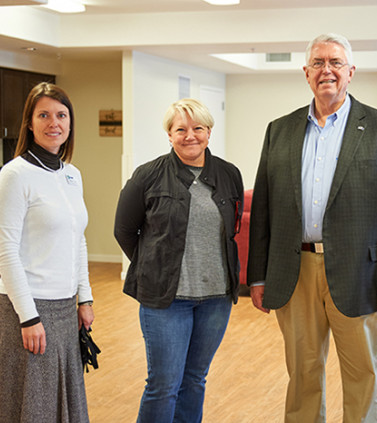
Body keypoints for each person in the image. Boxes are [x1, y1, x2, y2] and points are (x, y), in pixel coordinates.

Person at [247, 33, 377, 423]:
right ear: (306, 73)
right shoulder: (280, 130)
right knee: (302, 374)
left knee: (362, 375)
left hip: (362, 274)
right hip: (295, 271)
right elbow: (264, 210)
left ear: (351, 72)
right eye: (319, 63)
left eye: (336, 63)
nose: (327, 70)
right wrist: (258, 275)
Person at [114, 98, 244, 423]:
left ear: (209, 133)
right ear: (169, 135)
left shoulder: (229, 175)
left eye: (198, 128)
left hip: (215, 299)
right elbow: (124, 231)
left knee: (194, 380)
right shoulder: (148, 175)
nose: (190, 136)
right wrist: (155, 266)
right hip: (166, 301)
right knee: (164, 385)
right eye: (181, 129)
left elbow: (233, 228)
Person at [0, 82, 95, 422]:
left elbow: (77, 238)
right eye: (44, 115)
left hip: (64, 310)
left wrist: (84, 298)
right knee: (30, 408)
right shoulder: (15, 175)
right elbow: (4, 253)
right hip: (27, 310)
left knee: (61, 406)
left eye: (61, 115)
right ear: (29, 124)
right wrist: (29, 317)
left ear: (70, 123)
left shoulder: (71, 175)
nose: (54, 123)